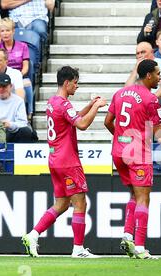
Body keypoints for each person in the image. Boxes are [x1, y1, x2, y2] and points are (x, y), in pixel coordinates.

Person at [104, 59, 161, 259]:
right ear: (148, 76)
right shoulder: (150, 99)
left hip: (119, 151)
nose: (160, 77)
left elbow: (107, 121)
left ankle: (127, 235)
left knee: (133, 195)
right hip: (138, 152)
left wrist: (122, 138)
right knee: (144, 198)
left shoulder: (120, 93)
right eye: (157, 74)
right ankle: (139, 247)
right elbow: (158, 131)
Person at [22, 66, 107, 258]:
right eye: (75, 82)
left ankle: (33, 235)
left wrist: (88, 105)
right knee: (80, 203)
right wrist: (97, 106)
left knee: (61, 204)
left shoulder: (53, 102)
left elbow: (73, 117)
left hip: (55, 159)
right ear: (67, 82)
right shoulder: (64, 104)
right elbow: (82, 125)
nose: (76, 86)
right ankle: (78, 249)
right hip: (68, 160)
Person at [125, 42, 161, 145]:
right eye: (137, 53)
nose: (140, 55)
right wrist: (135, 70)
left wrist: (145, 102)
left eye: (143, 52)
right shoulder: (140, 70)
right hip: (145, 106)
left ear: (152, 52)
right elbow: (126, 92)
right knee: (121, 134)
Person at [0, 18, 34, 120]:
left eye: (7, 30)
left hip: (19, 76)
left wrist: (17, 76)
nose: (5, 33)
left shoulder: (23, 46)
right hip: (2, 77)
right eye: (2, 31)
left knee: (27, 84)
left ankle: (27, 113)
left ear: (13, 31)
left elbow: (26, 67)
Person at [0, 73, 33, 143]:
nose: (1, 89)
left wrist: (10, 125)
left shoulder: (18, 101)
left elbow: (23, 123)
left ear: (11, 86)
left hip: (10, 131)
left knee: (25, 131)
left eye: (4, 86)